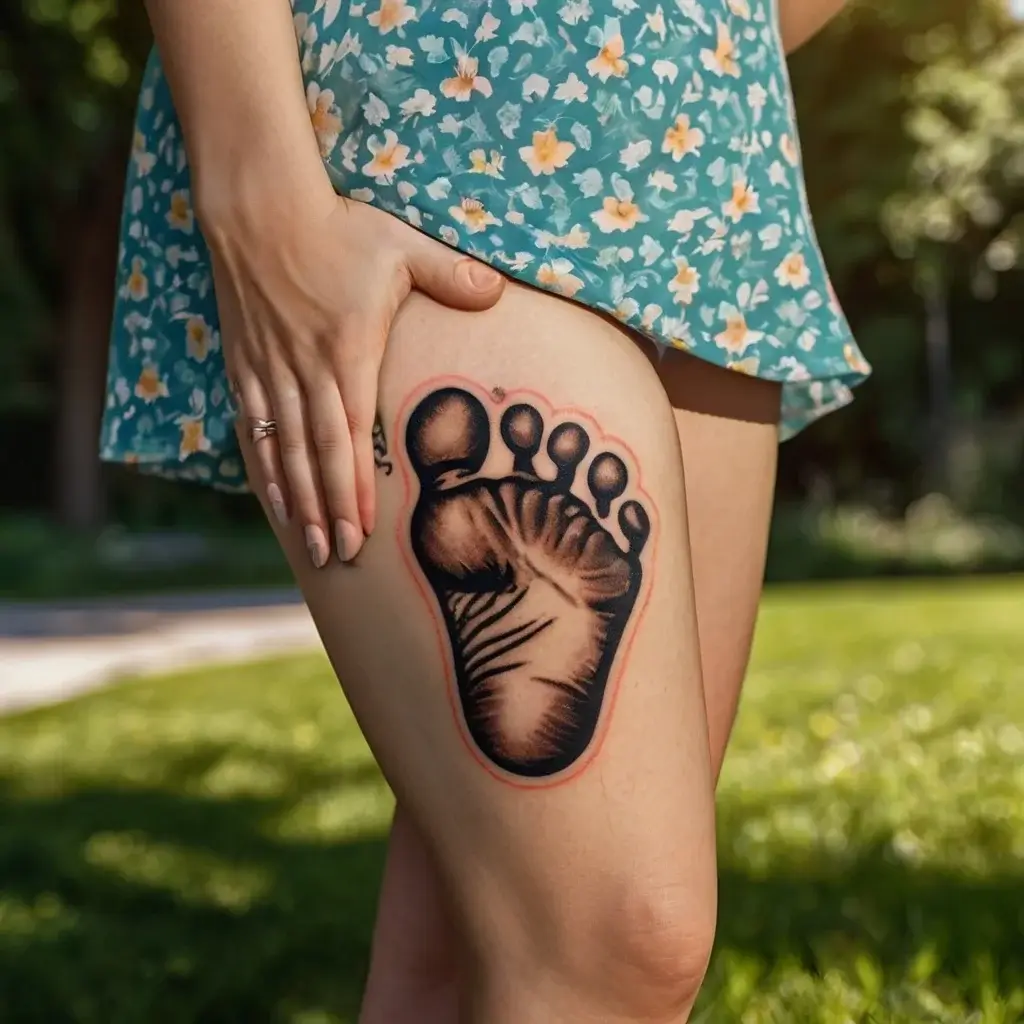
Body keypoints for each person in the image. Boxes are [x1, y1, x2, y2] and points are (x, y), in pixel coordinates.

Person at [100, 0, 869, 1019]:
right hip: (432, 108)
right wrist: (260, 192)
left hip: (702, 154)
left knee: (464, 959)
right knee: (612, 942)